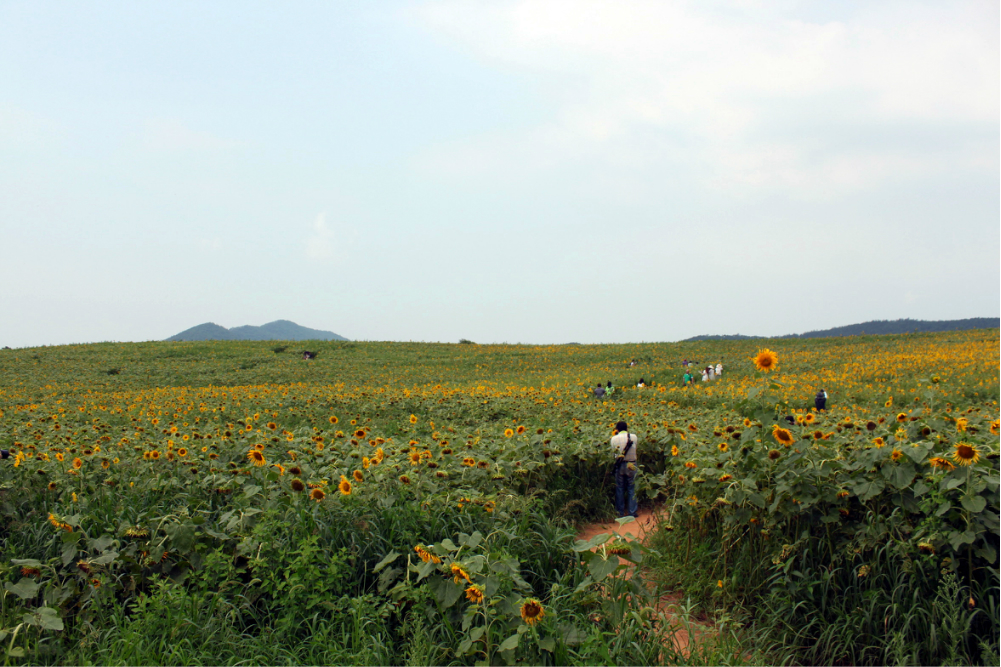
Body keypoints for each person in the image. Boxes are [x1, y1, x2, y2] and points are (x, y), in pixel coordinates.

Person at [610, 421, 638, 518]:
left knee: (620, 488)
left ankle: (620, 512)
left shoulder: (613, 439)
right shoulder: (634, 437)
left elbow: (614, 453)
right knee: (632, 488)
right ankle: (632, 512)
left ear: (617, 430)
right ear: (627, 428)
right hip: (632, 463)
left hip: (620, 465)